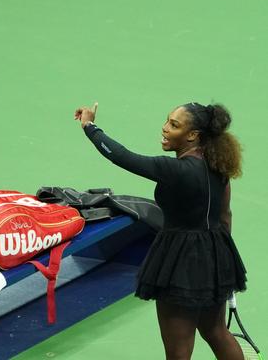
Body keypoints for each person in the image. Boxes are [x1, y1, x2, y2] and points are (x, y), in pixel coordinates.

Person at [74, 102, 247, 360]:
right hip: (216, 254)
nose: (165, 129)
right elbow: (225, 215)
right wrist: (222, 265)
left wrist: (90, 127)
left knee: (178, 350)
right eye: (167, 121)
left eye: (174, 125)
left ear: (193, 136)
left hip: (181, 261)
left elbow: (120, 156)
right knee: (216, 331)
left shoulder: (174, 169)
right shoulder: (218, 166)